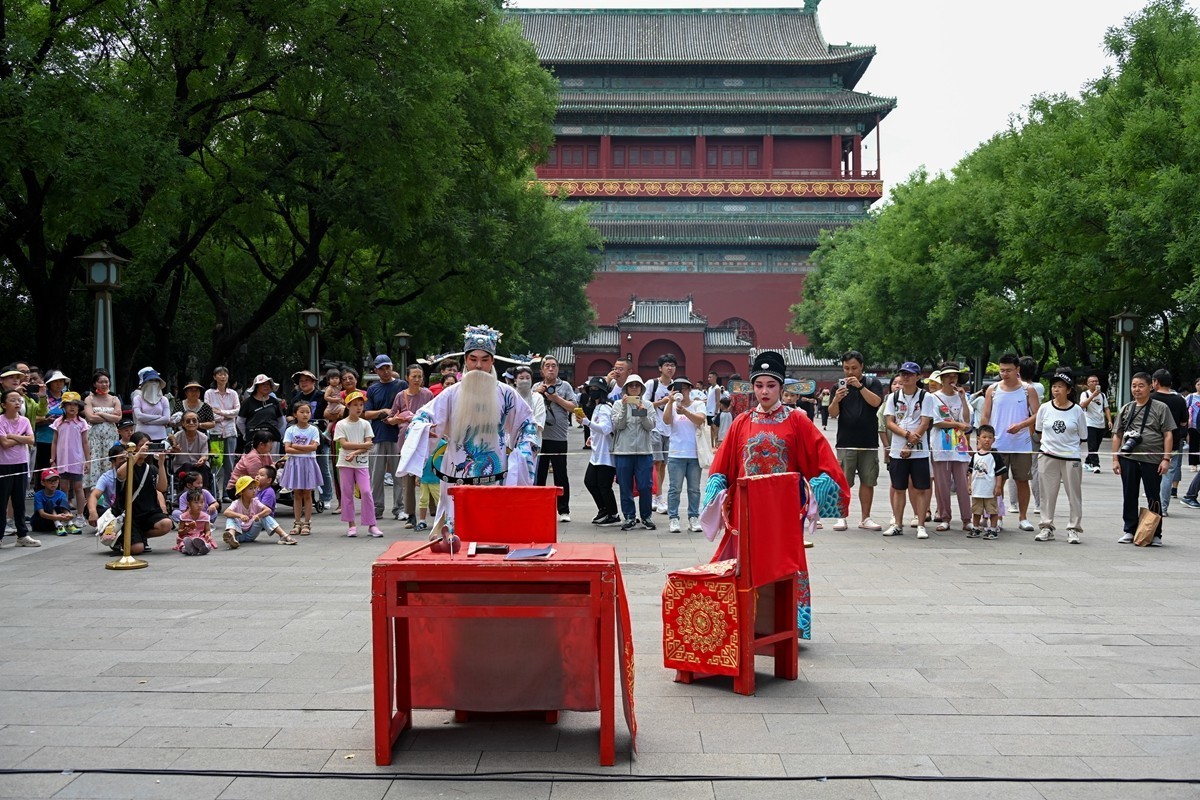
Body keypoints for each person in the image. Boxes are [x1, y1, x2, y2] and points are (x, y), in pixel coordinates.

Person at [700, 351, 849, 560]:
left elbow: (824, 461)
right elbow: (721, 467)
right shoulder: (741, 422)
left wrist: (813, 492)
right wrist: (717, 492)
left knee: (781, 569)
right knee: (749, 568)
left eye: (771, 385)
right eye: (759, 385)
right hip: (747, 509)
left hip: (784, 509)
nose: (764, 391)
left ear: (781, 387)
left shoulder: (797, 421)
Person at [396, 325, 538, 535]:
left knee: (494, 534)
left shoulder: (507, 394)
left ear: (492, 361)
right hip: (457, 477)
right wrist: (425, 430)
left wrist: (524, 450)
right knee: (458, 534)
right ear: (465, 360)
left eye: (484, 359)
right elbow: (422, 417)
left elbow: (527, 424)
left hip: (496, 478)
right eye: (473, 359)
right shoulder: (451, 394)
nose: (478, 366)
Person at [1112, 372, 1176, 546]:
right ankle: (1129, 530)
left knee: (1153, 496)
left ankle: (1156, 533)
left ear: (1151, 387)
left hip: (1152, 459)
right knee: (1129, 494)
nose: (1137, 389)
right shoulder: (1126, 408)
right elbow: (1117, 435)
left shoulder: (1161, 407)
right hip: (1129, 458)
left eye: (1141, 385)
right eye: (1134, 385)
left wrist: (1166, 459)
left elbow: (1168, 434)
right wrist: (1115, 459)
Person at [981, 354, 1039, 532]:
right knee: (998, 481)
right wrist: (984, 438)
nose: (1004, 374)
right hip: (998, 443)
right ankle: (996, 516)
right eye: (1002, 370)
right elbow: (985, 414)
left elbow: (1038, 414)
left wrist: (1021, 425)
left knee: (1022, 480)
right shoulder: (993, 389)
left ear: (1017, 370)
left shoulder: (1027, 390)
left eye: (1008, 370)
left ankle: (1023, 517)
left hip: (1021, 444)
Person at [828, 350, 885, 532]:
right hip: (845, 441)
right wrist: (836, 399)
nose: (850, 372)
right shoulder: (837, 387)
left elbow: (876, 403)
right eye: (846, 368)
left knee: (868, 481)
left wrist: (860, 387)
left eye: (854, 368)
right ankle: (841, 516)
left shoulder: (872, 383)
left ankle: (865, 518)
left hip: (868, 441)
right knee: (843, 481)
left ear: (862, 367)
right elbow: (833, 413)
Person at [882, 362, 937, 539]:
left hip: (920, 450)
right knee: (898, 487)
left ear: (918, 377)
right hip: (897, 449)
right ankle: (897, 523)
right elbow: (889, 422)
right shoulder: (893, 397)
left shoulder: (926, 397)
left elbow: (925, 422)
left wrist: (911, 443)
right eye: (903, 374)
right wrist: (906, 435)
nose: (905, 377)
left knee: (920, 488)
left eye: (910, 374)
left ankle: (921, 524)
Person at [1033, 371, 1087, 543]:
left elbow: (1083, 435)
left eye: (1060, 386)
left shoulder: (1077, 410)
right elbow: (1039, 431)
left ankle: (1073, 528)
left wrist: (1067, 449)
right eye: (1054, 386)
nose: (1056, 390)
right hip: (1048, 456)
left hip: (1071, 457)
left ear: (1069, 390)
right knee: (1047, 494)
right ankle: (1046, 527)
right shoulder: (1044, 408)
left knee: (1074, 494)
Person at [112, 433, 174, 555]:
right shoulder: (128, 465)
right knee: (136, 549)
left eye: (148, 446)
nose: (145, 448)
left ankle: (140, 536)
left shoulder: (150, 468)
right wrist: (138, 454)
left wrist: (161, 464)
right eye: (142, 446)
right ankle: (122, 539)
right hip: (130, 514)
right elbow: (120, 474)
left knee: (167, 524)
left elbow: (162, 487)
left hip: (148, 512)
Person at [388, 364, 434, 528]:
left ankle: (434, 512)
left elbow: (434, 416)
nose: (417, 379)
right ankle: (411, 515)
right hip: (406, 440)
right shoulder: (401, 396)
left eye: (419, 376)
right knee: (407, 480)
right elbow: (391, 417)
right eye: (414, 376)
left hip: (425, 440)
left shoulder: (428, 394)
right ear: (407, 377)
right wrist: (399, 419)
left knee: (430, 476)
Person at [534, 354, 578, 522]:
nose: (551, 368)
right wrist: (536, 395)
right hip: (539, 438)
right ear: (542, 370)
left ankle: (564, 510)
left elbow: (574, 408)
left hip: (559, 437)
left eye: (554, 366)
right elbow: (526, 408)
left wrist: (555, 398)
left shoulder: (565, 386)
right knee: (539, 475)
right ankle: (538, 507)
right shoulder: (536, 387)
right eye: (547, 366)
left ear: (558, 369)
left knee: (561, 474)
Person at [929, 365, 973, 532]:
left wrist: (962, 399)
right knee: (942, 484)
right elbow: (935, 421)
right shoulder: (933, 398)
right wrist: (956, 424)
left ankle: (966, 518)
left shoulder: (962, 397)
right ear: (942, 379)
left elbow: (968, 421)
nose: (952, 379)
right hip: (941, 445)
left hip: (959, 446)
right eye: (948, 376)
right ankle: (945, 516)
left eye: (954, 376)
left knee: (962, 483)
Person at [612, 374, 656, 531]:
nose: (634, 388)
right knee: (625, 486)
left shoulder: (648, 405)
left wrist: (642, 412)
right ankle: (629, 516)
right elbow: (619, 425)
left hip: (644, 452)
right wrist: (624, 408)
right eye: (631, 385)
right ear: (626, 388)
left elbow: (650, 426)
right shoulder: (617, 404)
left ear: (642, 389)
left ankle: (646, 516)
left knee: (645, 486)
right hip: (623, 451)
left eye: (637, 385)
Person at [333, 390, 381, 538]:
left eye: (361, 405)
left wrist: (355, 452)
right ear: (348, 406)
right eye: (355, 405)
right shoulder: (341, 424)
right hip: (345, 463)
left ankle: (371, 524)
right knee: (347, 493)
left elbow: (369, 443)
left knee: (366, 491)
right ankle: (351, 524)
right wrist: (361, 447)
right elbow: (344, 445)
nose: (359, 408)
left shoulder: (366, 423)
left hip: (361, 463)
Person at [364, 355, 405, 521]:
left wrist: (395, 416)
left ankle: (400, 508)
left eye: (388, 367)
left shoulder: (401, 385)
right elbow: (366, 413)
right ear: (376, 370)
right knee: (377, 476)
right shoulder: (373, 389)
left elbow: (407, 408)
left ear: (392, 366)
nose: (386, 371)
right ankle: (376, 508)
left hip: (398, 436)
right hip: (378, 436)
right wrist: (385, 411)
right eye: (382, 368)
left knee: (399, 475)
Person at [663, 376, 706, 533]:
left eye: (683, 389)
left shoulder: (698, 404)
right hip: (676, 454)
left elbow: (700, 420)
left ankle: (693, 517)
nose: (680, 392)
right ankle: (673, 518)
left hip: (694, 454)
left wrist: (685, 411)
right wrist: (670, 402)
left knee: (694, 489)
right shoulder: (672, 406)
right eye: (676, 390)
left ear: (689, 389)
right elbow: (667, 421)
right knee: (675, 488)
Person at [579, 376, 618, 526]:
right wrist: (592, 438)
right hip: (597, 452)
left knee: (604, 486)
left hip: (606, 454)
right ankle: (604, 509)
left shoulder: (604, 407)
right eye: (591, 389)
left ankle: (612, 514)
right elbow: (599, 429)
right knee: (590, 481)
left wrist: (587, 423)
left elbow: (606, 428)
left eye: (596, 389)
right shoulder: (597, 407)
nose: (592, 392)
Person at [49, 391, 90, 530]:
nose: (72, 408)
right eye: (69, 405)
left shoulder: (82, 422)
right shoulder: (58, 422)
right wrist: (53, 459)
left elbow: (85, 442)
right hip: (62, 460)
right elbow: (54, 442)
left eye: (75, 405)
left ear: (79, 407)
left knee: (78, 488)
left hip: (77, 460)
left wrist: (87, 461)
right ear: (64, 407)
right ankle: (64, 514)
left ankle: (79, 515)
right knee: (64, 488)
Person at [281, 402, 322, 537]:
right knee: (297, 493)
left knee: (307, 494)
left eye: (307, 412)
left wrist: (296, 447)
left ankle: (307, 522)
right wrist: (305, 448)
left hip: (309, 463)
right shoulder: (290, 430)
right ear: (295, 414)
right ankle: (297, 522)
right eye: (302, 412)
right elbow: (287, 449)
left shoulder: (313, 430)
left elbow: (314, 447)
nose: (305, 415)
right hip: (294, 463)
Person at [644, 354, 678, 515]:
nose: (670, 368)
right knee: (656, 463)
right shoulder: (652, 384)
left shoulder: (676, 386)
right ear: (660, 368)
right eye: (667, 365)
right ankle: (655, 495)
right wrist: (663, 402)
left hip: (670, 430)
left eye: (672, 365)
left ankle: (658, 495)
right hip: (655, 428)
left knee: (663, 464)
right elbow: (642, 404)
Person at [222, 474, 295, 548]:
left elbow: (268, 510)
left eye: (254, 488)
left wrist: (258, 515)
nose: (254, 491)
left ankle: (284, 536)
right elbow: (226, 512)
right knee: (230, 518)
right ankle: (232, 537)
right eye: (250, 489)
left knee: (265, 517)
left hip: (251, 533)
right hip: (238, 534)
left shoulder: (255, 501)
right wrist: (240, 515)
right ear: (241, 492)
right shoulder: (236, 503)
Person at [1152, 369, 1189, 516]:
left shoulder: (1150, 398)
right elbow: (1184, 421)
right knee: (1169, 473)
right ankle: (1163, 508)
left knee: (1152, 473)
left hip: (1153, 442)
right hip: (1174, 441)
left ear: (1156, 382)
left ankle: (1153, 505)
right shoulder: (1179, 399)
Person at [83, 369, 123, 493]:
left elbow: (118, 418)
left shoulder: (114, 399)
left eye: (106, 382)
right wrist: (109, 415)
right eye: (101, 382)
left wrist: (99, 412)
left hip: (110, 437)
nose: (104, 384)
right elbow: (90, 417)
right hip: (94, 437)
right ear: (95, 383)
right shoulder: (89, 399)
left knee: (109, 461)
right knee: (94, 462)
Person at [205, 366, 240, 500]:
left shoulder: (233, 393)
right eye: (219, 374)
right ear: (215, 377)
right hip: (215, 432)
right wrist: (225, 416)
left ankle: (227, 492)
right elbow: (209, 412)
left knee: (229, 463)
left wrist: (221, 413)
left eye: (225, 374)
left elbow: (237, 411)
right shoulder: (209, 393)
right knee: (215, 462)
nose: (223, 376)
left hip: (230, 432)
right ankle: (214, 492)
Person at [967, 426, 1007, 539]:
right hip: (977, 489)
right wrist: (969, 484)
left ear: (993, 439)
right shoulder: (975, 456)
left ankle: (993, 529)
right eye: (984, 437)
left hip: (990, 490)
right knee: (976, 510)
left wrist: (998, 486)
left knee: (992, 511)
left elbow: (999, 473)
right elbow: (970, 471)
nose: (987, 440)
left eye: (990, 437)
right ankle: (975, 528)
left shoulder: (995, 455)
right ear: (978, 438)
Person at [239, 374, 285, 448]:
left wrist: (272, 430)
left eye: (268, 384)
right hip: (253, 439)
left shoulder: (275, 401)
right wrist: (246, 434)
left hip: (272, 438)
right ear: (256, 386)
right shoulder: (247, 402)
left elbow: (281, 421)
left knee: (271, 460)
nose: (266, 386)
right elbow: (240, 421)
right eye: (263, 384)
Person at [170, 411, 211, 491]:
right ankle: (186, 492)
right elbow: (169, 452)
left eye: (194, 421)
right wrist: (174, 450)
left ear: (198, 423)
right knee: (187, 465)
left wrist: (202, 459)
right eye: (188, 421)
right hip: (182, 466)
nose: (191, 423)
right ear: (183, 423)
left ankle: (205, 493)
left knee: (204, 467)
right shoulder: (177, 436)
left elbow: (204, 454)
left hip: (198, 466)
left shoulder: (203, 437)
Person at [1079, 373, 1111, 474]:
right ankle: (1096, 465)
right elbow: (1082, 405)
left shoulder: (1102, 395)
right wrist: (1093, 395)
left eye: (1096, 381)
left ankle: (1087, 461)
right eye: (1092, 381)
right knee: (1092, 445)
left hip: (1100, 423)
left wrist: (1109, 420)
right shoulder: (1085, 394)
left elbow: (1106, 408)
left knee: (1096, 446)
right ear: (1088, 384)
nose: (1095, 383)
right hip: (1089, 423)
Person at [226, 431, 275, 496]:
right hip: (237, 488)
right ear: (261, 445)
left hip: (251, 485)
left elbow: (271, 467)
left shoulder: (266, 454)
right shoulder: (253, 457)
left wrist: (278, 464)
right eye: (270, 442)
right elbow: (258, 478)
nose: (272, 445)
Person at [131, 369, 172, 443]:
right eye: (150, 380)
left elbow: (166, 418)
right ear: (144, 383)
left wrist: (147, 421)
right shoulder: (138, 398)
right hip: (141, 437)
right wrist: (158, 416)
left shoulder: (164, 399)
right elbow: (139, 416)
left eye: (156, 381)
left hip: (160, 436)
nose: (153, 383)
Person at [513, 364, 547, 448]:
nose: (525, 381)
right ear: (515, 380)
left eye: (528, 378)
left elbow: (539, 421)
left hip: (532, 443)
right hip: (510, 442)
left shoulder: (538, 398)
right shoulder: (509, 397)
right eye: (521, 378)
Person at [176, 489, 216, 555]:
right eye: (196, 502)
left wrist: (207, 535)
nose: (200, 505)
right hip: (187, 537)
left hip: (200, 536)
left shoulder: (205, 517)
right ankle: (187, 549)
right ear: (188, 504)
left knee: (203, 542)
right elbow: (179, 531)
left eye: (202, 502)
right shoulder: (184, 516)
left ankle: (204, 548)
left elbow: (207, 530)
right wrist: (184, 531)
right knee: (184, 542)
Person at [704, 371, 724, 447]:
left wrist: (716, 411)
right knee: (710, 428)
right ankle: (712, 444)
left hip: (713, 412)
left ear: (715, 377)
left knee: (714, 428)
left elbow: (718, 400)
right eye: (708, 377)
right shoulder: (709, 388)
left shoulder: (717, 388)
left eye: (710, 377)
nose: (709, 379)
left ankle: (716, 443)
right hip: (708, 411)